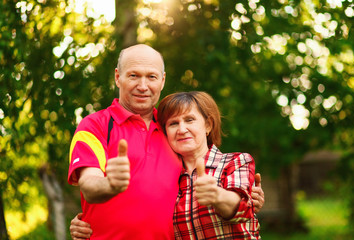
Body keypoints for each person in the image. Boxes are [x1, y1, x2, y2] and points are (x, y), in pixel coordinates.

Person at [68, 44, 264, 239]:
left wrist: (244, 197)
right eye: (134, 75)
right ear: (118, 77)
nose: (143, 86)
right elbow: (88, 184)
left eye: (151, 77)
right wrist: (109, 185)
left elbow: (214, 176)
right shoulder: (95, 125)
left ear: (162, 81)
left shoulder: (169, 128)